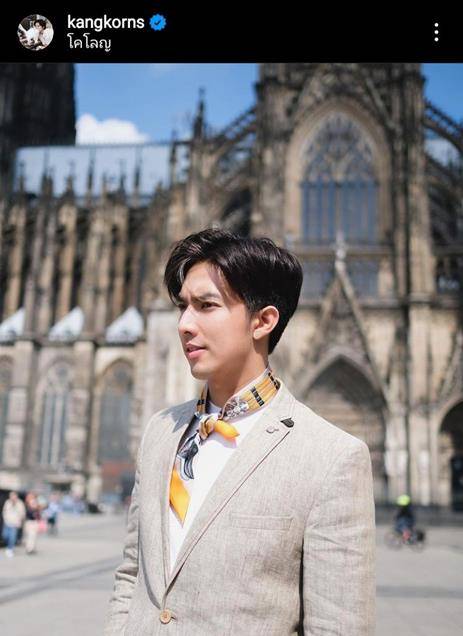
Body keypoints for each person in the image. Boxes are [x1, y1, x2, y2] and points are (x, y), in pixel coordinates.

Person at [104, 229, 376, 635]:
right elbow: (132, 574)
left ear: (263, 321)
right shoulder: (160, 432)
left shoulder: (332, 457)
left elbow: (339, 626)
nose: (184, 324)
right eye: (183, 307)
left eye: (206, 306)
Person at [1, 491, 26, 558]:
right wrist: (5, 519)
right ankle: (8, 546)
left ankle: (10, 549)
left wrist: (20, 522)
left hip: (15, 523)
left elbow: (22, 513)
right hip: (7, 522)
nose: (12, 497)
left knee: (12, 537)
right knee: (5, 536)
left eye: (13, 496)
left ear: (16, 496)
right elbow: (4, 511)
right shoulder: (7, 502)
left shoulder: (20, 503)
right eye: (11, 496)